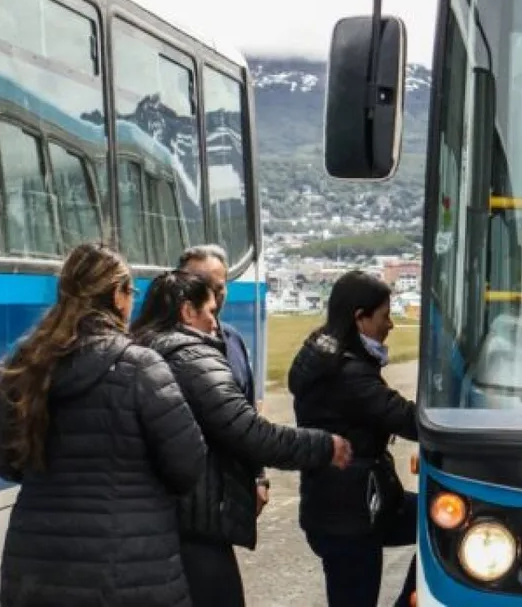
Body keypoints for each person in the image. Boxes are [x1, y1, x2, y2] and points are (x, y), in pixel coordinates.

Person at [0, 243, 206, 606]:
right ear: (117, 294)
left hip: (35, 567)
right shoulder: (141, 367)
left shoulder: (25, 366)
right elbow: (188, 466)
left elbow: (8, 462)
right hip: (129, 566)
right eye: (131, 292)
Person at [131, 270, 351, 607]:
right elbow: (249, 432)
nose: (215, 324)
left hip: (151, 524)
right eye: (209, 312)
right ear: (187, 312)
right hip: (196, 525)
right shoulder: (192, 356)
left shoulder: (140, 350)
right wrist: (324, 445)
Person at [289, 271, 419, 607]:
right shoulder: (348, 373)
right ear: (359, 317)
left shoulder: (327, 352)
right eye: (384, 315)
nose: (390, 324)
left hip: (354, 504)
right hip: (350, 517)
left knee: (441, 522)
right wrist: (453, 423)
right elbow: (404, 418)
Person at [177, 245, 268, 514]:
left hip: (227, 494)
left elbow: (248, 416)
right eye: (203, 288)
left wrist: (258, 476)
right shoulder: (162, 347)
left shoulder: (234, 341)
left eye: (220, 288)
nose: (213, 300)